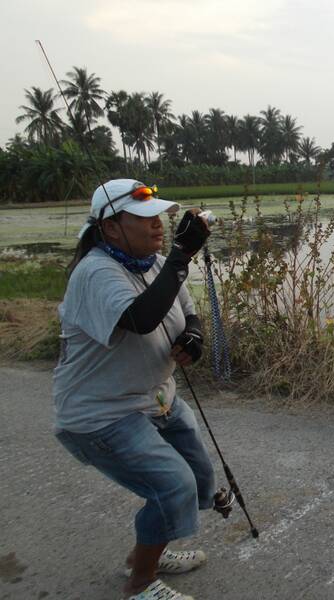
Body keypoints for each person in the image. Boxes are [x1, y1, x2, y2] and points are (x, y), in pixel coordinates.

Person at [53, 179, 215, 600]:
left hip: (157, 399)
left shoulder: (154, 264)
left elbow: (188, 312)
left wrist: (193, 339)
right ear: (110, 228)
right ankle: (140, 583)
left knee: (198, 479)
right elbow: (140, 318)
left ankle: (147, 551)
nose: (158, 225)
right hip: (102, 413)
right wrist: (182, 255)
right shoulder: (95, 273)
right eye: (143, 217)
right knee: (172, 486)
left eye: (159, 216)